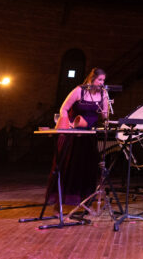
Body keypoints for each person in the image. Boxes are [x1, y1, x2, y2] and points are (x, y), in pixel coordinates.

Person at [47, 68, 110, 207]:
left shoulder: (103, 94)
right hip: (73, 133)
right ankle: (63, 199)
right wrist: (67, 124)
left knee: (87, 166)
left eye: (103, 80)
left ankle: (84, 199)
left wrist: (107, 108)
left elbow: (104, 116)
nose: (102, 83)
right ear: (91, 79)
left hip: (88, 135)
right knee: (69, 165)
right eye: (100, 80)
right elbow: (63, 108)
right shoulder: (79, 91)